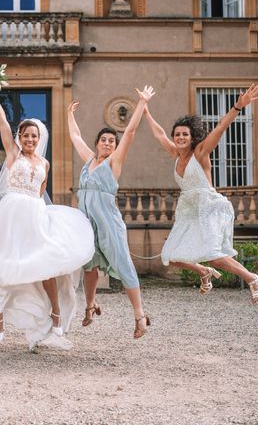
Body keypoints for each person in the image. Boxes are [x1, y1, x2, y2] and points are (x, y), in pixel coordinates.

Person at [0, 80, 95, 352]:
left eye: (34, 136)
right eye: (25, 136)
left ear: (39, 138)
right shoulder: (12, 153)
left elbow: (40, 192)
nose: (29, 139)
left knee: (47, 263)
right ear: (19, 138)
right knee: (7, 262)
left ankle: (55, 313)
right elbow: (2, 121)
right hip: (11, 214)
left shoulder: (44, 163)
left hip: (34, 213)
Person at [143, 84, 258, 304]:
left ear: (192, 137)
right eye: (177, 134)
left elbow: (220, 128)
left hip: (209, 207)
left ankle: (253, 280)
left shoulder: (200, 152)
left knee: (216, 256)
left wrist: (238, 107)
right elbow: (159, 134)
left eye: (185, 134)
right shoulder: (175, 154)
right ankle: (204, 272)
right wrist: (144, 109)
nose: (180, 137)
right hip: (189, 209)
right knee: (171, 256)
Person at [68, 86, 155, 339]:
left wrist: (141, 103)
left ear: (115, 146)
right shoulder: (88, 161)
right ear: (97, 144)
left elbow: (131, 131)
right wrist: (69, 114)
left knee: (123, 265)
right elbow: (75, 137)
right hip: (88, 222)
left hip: (108, 223)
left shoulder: (114, 162)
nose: (107, 143)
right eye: (103, 140)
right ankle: (90, 305)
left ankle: (139, 315)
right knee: (88, 264)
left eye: (111, 141)